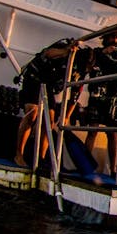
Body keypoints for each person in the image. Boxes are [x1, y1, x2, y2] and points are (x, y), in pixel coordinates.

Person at [14, 38, 81, 167]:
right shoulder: (64, 48)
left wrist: (67, 115)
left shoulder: (79, 70)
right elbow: (48, 53)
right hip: (34, 79)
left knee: (49, 121)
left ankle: (41, 158)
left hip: (48, 85)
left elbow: (75, 94)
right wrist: (66, 51)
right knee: (32, 114)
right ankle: (19, 155)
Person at [83, 30, 117, 174]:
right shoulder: (97, 53)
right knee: (92, 130)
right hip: (97, 96)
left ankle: (113, 169)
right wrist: (103, 53)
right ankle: (84, 165)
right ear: (106, 38)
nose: (115, 40)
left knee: (113, 134)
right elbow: (88, 66)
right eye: (112, 37)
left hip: (114, 100)